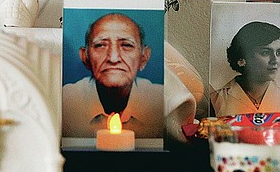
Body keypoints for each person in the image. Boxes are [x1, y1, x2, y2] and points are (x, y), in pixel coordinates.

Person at [62, 12, 196, 143]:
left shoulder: (160, 100)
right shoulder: (66, 101)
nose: (113, 58)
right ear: (85, 57)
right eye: (100, 45)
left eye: (126, 45)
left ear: (144, 57)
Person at [210, 21, 280, 116]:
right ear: (243, 56)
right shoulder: (218, 99)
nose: (275, 60)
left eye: (279, 53)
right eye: (265, 53)